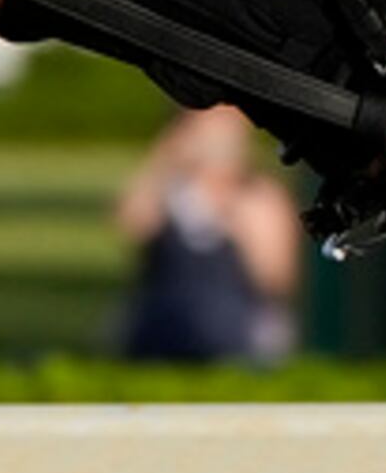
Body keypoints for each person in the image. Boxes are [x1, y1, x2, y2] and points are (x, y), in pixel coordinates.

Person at [114, 102, 303, 363]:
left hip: (237, 333)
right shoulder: (172, 188)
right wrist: (167, 156)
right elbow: (131, 225)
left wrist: (240, 227)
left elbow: (277, 280)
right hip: (162, 328)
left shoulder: (259, 195)